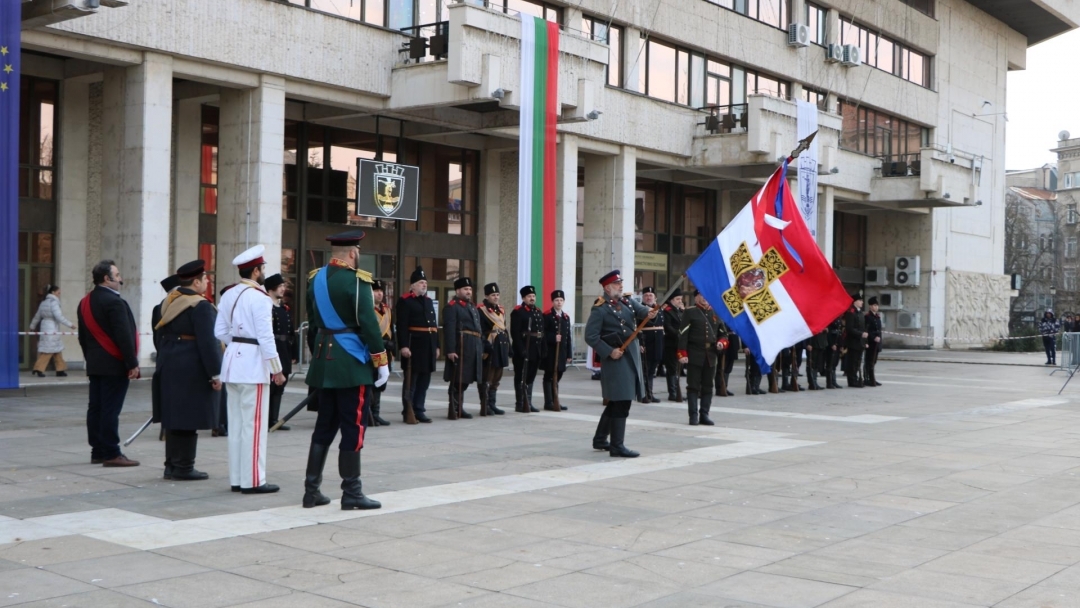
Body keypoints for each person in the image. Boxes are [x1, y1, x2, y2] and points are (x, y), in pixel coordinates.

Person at [302, 231, 389, 511]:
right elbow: (369, 324)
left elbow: (313, 325)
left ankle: (311, 491)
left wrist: (320, 357)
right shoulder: (357, 281)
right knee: (354, 427)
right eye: (358, 251)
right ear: (352, 253)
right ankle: (352, 492)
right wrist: (381, 360)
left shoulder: (315, 280)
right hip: (350, 364)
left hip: (324, 363)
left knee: (324, 427)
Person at [214, 245, 286, 494]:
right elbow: (266, 338)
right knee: (253, 427)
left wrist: (237, 342)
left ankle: (238, 479)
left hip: (232, 364)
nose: (263, 272)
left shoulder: (229, 294)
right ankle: (254, 480)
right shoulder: (260, 298)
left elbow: (219, 331)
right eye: (262, 268)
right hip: (252, 366)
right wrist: (276, 369)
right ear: (256, 271)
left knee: (236, 426)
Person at [155, 260, 222, 481]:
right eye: (205, 279)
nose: (208, 282)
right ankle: (184, 467)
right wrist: (215, 373)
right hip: (191, 367)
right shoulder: (200, 306)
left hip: (169, 363)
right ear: (196, 282)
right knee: (188, 418)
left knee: (174, 417)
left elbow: (158, 336)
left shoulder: (169, 301)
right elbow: (208, 342)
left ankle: (171, 466)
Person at [585, 270, 656, 457]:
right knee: (621, 401)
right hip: (616, 359)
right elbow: (590, 336)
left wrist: (650, 312)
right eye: (617, 284)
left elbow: (642, 311)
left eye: (621, 283)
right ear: (608, 288)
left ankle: (600, 439)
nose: (621, 286)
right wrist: (609, 351)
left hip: (631, 356)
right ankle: (617, 445)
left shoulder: (627, 301)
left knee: (618, 400)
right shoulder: (600, 308)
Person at [77, 259, 140, 467]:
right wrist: (132, 363)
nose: (120, 279)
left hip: (96, 364)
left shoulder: (85, 302)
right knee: (110, 410)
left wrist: (91, 359)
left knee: (96, 408)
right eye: (117, 275)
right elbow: (124, 336)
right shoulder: (114, 302)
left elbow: (82, 338)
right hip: (114, 363)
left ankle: (98, 451)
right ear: (107, 278)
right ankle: (112, 452)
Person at [395, 266, 438, 423]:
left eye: (425, 282)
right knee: (411, 381)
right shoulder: (405, 301)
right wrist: (403, 346)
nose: (424, 285)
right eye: (421, 282)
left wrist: (437, 346)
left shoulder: (428, 301)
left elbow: (433, 325)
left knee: (424, 382)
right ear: (412, 285)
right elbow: (402, 326)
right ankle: (408, 410)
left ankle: (419, 409)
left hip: (428, 347)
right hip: (414, 347)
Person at [678, 291, 726, 426]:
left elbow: (723, 334)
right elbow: (682, 334)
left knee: (708, 386)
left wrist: (722, 343)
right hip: (694, 354)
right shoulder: (690, 312)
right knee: (693, 387)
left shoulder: (715, 312)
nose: (705, 298)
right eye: (701, 295)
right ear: (696, 298)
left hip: (710, 355)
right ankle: (693, 415)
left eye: (706, 295)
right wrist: (682, 353)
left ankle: (704, 414)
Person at [442, 277, 484, 420]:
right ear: (458, 291)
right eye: (465, 289)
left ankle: (459, 407)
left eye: (470, 289)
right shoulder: (452, 307)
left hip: (473, 345)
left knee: (466, 378)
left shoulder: (472, 306)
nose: (468, 291)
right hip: (461, 346)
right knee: (458, 378)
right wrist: (450, 350)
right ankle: (454, 408)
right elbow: (449, 329)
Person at [265, 274, 299, 431]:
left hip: (284, 350)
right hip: (274, 349)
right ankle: (266, 419)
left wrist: (294, 353)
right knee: (271, 386)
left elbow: (291, 333)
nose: (283, 289)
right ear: (271, 288)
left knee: (280, 387)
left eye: (283, 286)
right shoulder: (267, 308)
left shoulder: (284, 309)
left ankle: (274, 420)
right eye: (280, 286)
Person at [29, 284, 76, 377]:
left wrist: (32, 326)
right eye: (58, 292)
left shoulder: (43, 302)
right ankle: (38, 368)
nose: (59, 294)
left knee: (56, 349)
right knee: (49, 350)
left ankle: (60, 370)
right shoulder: (54, 303)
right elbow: (59, 317)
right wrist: (70, 324)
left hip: (45, 327)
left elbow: (37, 316)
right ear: (53, 292)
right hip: (52, 328)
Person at [511, 285, 544, 413]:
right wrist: (521, 350)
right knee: (521, 376)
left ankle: (528, 401)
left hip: (535, 348)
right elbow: (515, 333)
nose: (532, 298)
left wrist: (543, 348)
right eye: (529, 296)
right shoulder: (518, 312)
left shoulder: (537, 311)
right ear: (523, 298)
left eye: (533, 296)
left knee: (531, 376)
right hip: (524, 347)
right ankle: (520, 403)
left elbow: (541, 331)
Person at [478, 283, 509, 416]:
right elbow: (480, 330)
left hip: (501, 346)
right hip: (490, 346)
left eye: (497, 295)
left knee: (496, 378)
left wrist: (509, 347)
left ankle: (492, 404)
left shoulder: (500, 310)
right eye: (493, 295)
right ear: (486, 296)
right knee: (487, 377)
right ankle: (485, 405)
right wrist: (485, 345)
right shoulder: (481, 310)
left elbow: (505, 329)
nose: (496, 297)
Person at [369, 280, 395, 426]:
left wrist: (393, 346)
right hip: (373, 351)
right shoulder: (367, 309)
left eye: (381, 291)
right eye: (376, 291)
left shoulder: (387, 310)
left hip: (386, 352)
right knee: (372, 381)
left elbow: (391, 329)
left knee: (381, 382)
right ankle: (369, 414)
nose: (379, 294)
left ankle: (376, 414)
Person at [542, 289, 572, 411]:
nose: (559, 302)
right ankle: (549, 402)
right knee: (549, 376)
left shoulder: (565, 317)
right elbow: (543, 334)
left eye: (561, 300)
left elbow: (568, 337)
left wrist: (569, 354)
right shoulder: (547, 316)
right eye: (556, 300)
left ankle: (555, 400)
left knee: (558, 374)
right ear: (552, 302)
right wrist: (553, 338)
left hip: (561, 352)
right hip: (550, 352)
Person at [638, 286, 664, 403]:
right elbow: (636, 328)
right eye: (646, 295)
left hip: (657, 343)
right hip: (645, 343)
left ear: (655, 297)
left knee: (652, 370)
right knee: (645, 370)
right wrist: (639, 343)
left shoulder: (659, 309)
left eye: (650, 295)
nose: (648, 298)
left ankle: (649, 393)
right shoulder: (639, 310)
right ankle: (644, 395)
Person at [661, 289, 684, 402]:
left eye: (681, 299)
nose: (680, 301)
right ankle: (673, 392)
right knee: (672, 368)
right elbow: (668, 326)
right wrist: (679, 335)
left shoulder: (679, 311)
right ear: (671, 300)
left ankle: (677, 390)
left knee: (678, 368)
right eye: (677, 299)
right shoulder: (668, 311)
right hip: (671, 343)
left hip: (680, 343)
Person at [844, 294, 868, 388]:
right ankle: (852, 380)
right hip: (853, 342)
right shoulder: (851, 313)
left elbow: (863, 327)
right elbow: (850, 328)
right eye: (860, 300)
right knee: (852, 362)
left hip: (860, 342)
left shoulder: (860, 313)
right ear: (855, 301)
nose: (862, 302)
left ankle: (856, 378)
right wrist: (860, 334)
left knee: (858, 361)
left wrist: (865, 340)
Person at [864, 296, 884, 386]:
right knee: (869, 361)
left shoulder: (877, 317)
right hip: (870, 342)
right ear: (870, 306)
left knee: (873, 361)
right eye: (874, 305)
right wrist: (873, 337)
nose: (876, 307)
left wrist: (879, 339)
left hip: (877, 342)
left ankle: (872, 379)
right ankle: (868, 379)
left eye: (877, 305)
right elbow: (867, 330)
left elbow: (879, 330)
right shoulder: (868, 317)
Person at [716, 329, 740, 397]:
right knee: (722, 367)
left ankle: (725, 387)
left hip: (733, 343)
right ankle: (719, 388)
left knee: (728, 368)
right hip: (725, 342)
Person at [824, 314, 845, 389]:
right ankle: (829, 382)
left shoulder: (838, 318)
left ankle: (834, 381)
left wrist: (841, 345)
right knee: (830, 364)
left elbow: (840, 333)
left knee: (835, 363)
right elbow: (828, 333)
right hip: (831, 344)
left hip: (837, 343)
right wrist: (831, 344)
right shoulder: (830, 317)